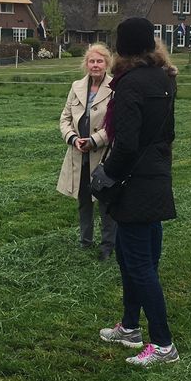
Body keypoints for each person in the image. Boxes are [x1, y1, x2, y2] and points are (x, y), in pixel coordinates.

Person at [96, 17, 180, 366]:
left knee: (138, 263)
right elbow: (167, 134)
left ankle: (163, 344)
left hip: (133, 183)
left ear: (121, 49)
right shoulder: (165, 79)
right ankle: (130, 327)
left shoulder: (129, 84)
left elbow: (126, 143)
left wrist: (106, 174)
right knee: (135, 259)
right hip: (157, 176)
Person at [57, 43, 117, 261]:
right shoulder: (77, 86)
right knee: (83, 199)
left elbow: (114, 124)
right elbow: (64, 118)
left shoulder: (115, 88)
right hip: (78, 153)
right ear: (86, 64)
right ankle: (85, 240)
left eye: (99, 61)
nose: (95, 65)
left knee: (105, 201)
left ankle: (107, 245)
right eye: (92, 61)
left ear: (107, 64)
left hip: (102, 155)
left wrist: (94, 140)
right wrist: (73, 138)